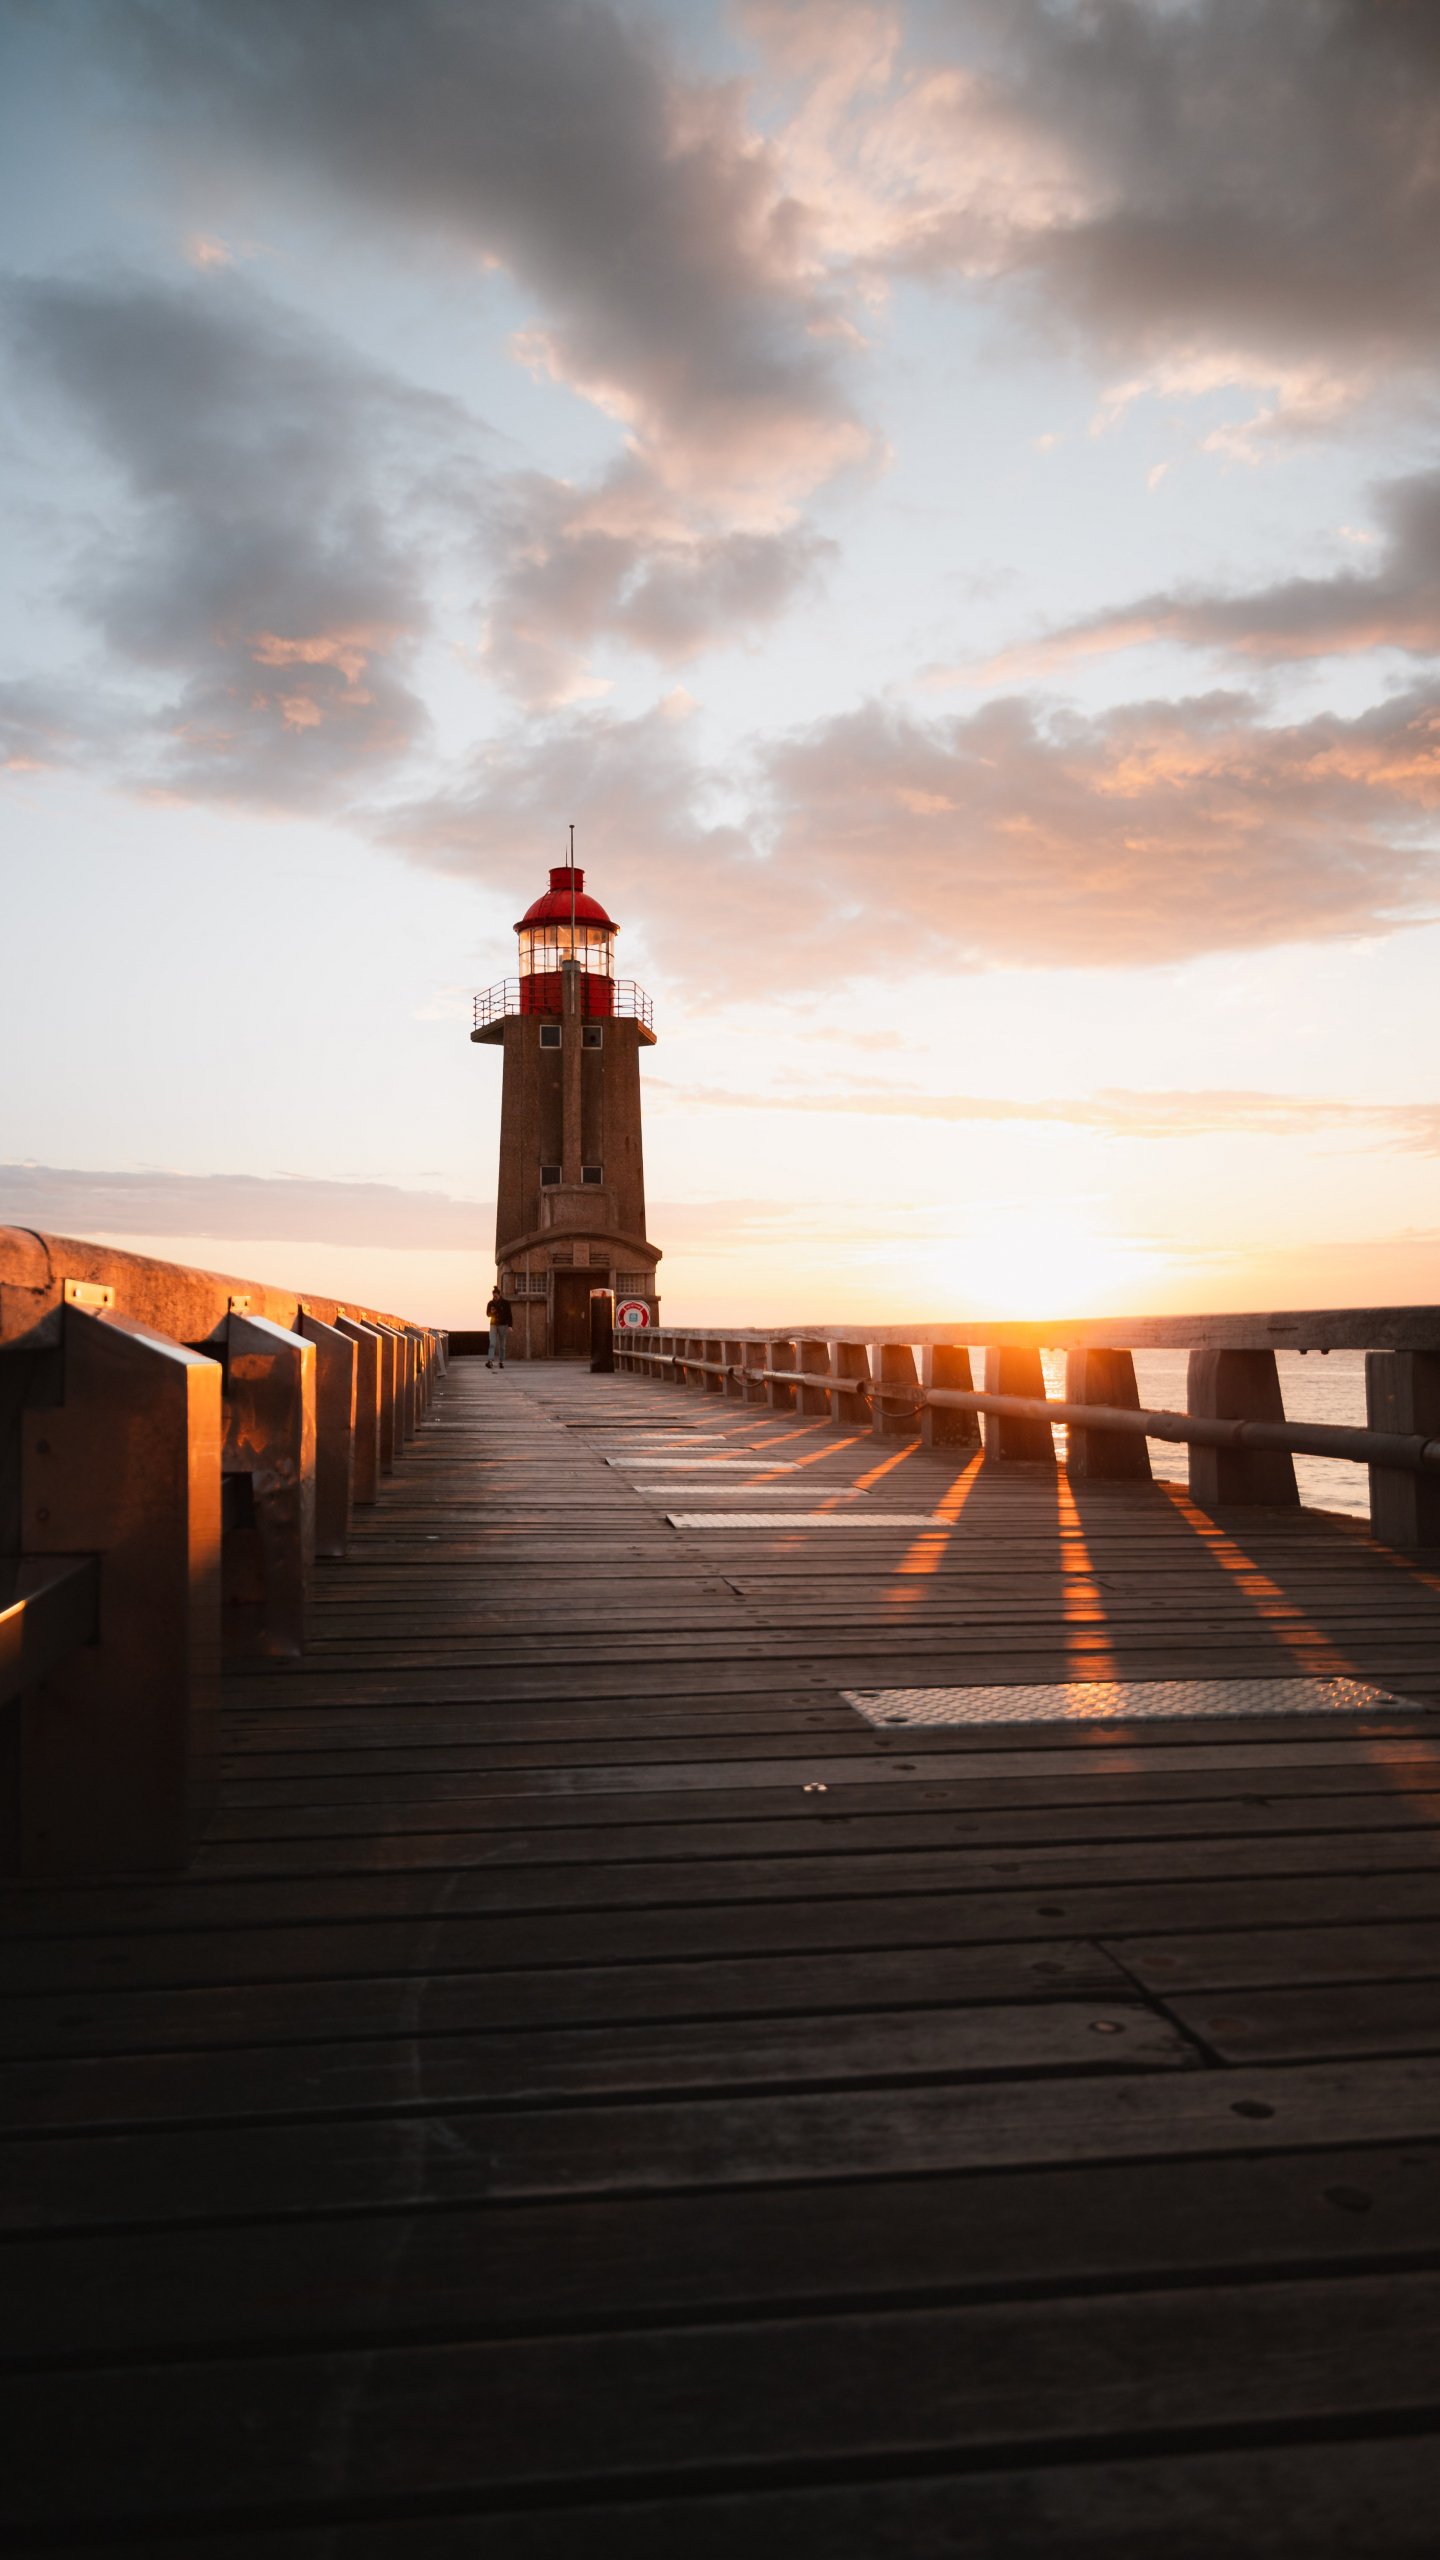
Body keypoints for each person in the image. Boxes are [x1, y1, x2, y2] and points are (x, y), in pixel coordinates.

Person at [485, 1283, 513, 1369]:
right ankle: (490, 1360)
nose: (494, 1297)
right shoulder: (490, 1303)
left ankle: (501, 1361)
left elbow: (509, 1315)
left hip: (503, 1325)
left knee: (502, 1345)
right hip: (493, 1324)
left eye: (496, 1296)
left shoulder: (505, 1303)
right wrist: (492, 1313)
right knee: (492, 1343)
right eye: (493, 1296)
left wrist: (510, 1325)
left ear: (499, 1294)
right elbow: (487, 1314)